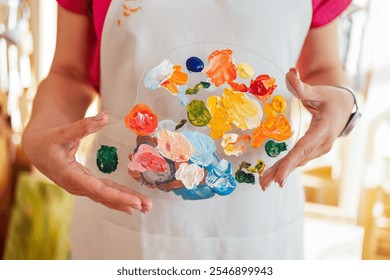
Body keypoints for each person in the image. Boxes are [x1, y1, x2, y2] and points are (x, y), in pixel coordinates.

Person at [22, 0, 356, 259]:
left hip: (259, 220)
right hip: (128, 220)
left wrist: (343, 103)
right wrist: (41, 130)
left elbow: (323, 66)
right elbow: (69, 71)